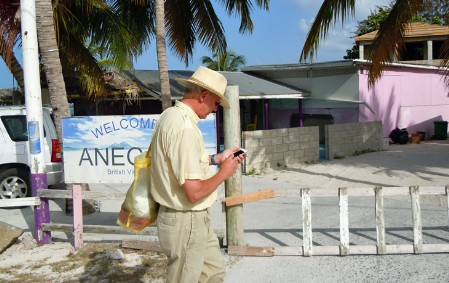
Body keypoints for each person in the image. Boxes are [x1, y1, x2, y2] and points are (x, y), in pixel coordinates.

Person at [149, 66, 246, 282]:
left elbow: (176, 164)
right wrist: (224, 172)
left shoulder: (170, 116)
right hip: (186, 218)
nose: (215, 109)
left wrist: (215, 159)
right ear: (203, 96)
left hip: (190, 218)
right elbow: (193, 192)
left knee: (213, 275)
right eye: (217, 103)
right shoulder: (185, 129)